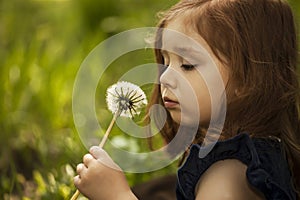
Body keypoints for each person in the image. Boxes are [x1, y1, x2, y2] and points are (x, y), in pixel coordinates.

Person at [73, 0, 300, 199]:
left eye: (188, 65)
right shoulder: (253, 157)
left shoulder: (227, 181)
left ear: (248, 79)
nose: (166, 77)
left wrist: (116, 195)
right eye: (165, 61)